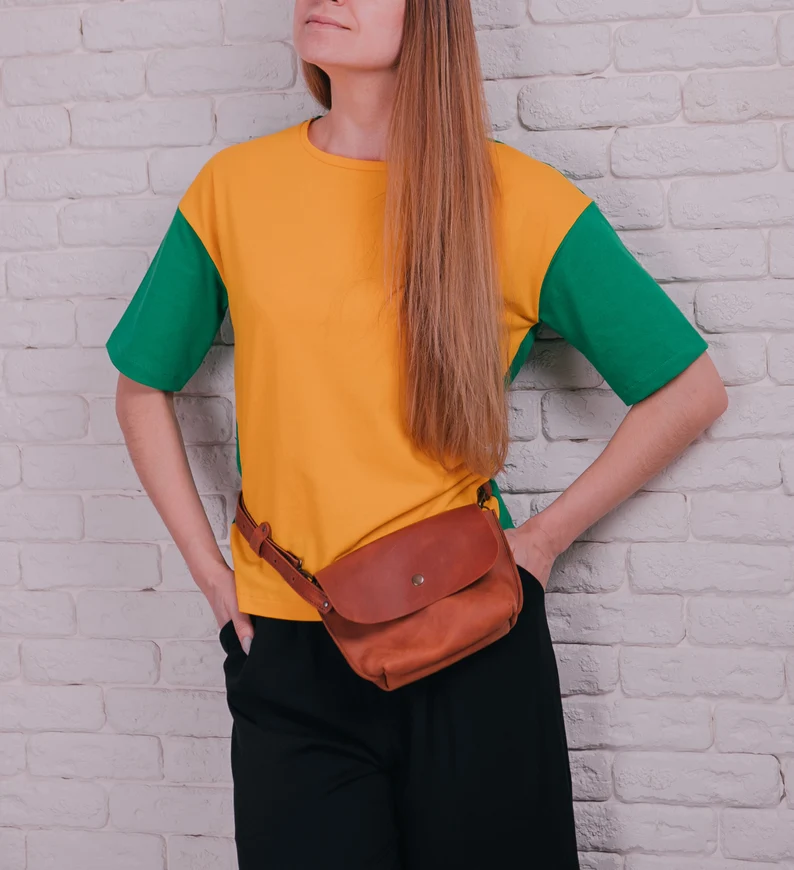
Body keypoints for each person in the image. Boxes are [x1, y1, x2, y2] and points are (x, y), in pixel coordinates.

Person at [105, 1, 729, 867]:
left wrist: (541, 542)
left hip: (473, 639)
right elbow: (142, 388)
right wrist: (212, 577)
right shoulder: (233, 190)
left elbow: (688, 391)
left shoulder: (516, 198)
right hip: (291, 648)